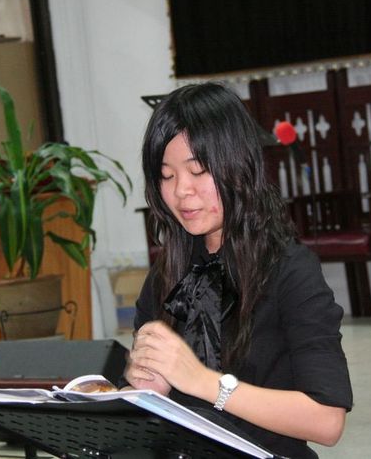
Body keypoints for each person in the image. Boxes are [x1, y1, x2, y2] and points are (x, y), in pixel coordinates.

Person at [124, 82, 352, 458]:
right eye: (167, 175)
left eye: (198, 170)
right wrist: (142, 390)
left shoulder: (290, 270)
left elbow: (327, 420)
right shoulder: (167, 272)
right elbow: (150, 404)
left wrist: (204, 382)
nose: (181, 191)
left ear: (238, 168)